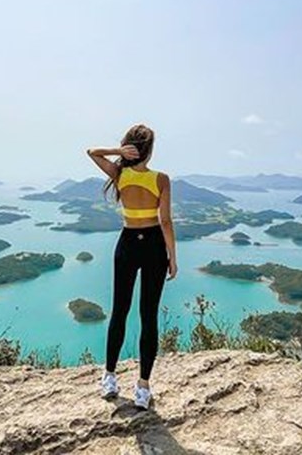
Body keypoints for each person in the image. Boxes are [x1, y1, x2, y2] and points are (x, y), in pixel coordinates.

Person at [86, 123, 177, 410]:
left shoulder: (120, 173)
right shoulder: (161, 179)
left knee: (119, 311)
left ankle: (109, 376)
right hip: (153, 246)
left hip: (127, 244)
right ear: (149, 151)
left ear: (131, 148)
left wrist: (116, 152)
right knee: (148, 316)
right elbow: (165, 221)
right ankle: (143, 388)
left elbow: (91, 152)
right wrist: (172, 257)